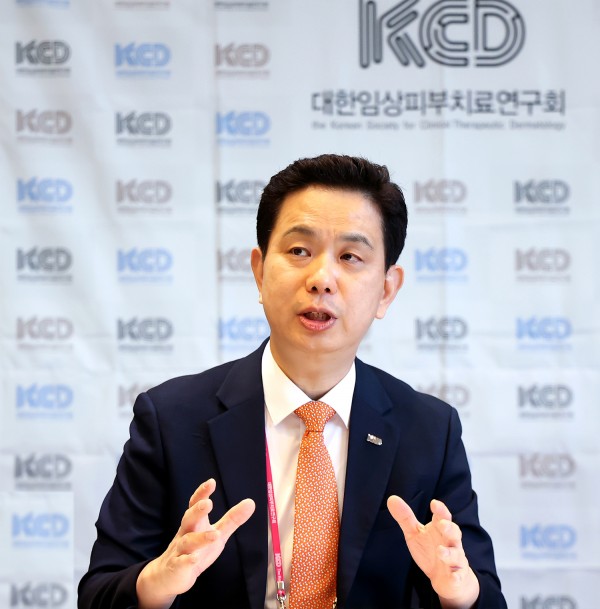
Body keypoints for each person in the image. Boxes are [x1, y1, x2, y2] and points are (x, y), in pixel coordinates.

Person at [78, 154, 506, 609]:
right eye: (299, 251)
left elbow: (483, 594)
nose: (321, 279)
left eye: (350, 257)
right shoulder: (172, 419)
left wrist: (456, 593)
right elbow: (99, 593)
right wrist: (157, 582)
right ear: (260, 271)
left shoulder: (429, 431)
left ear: (386, 290)